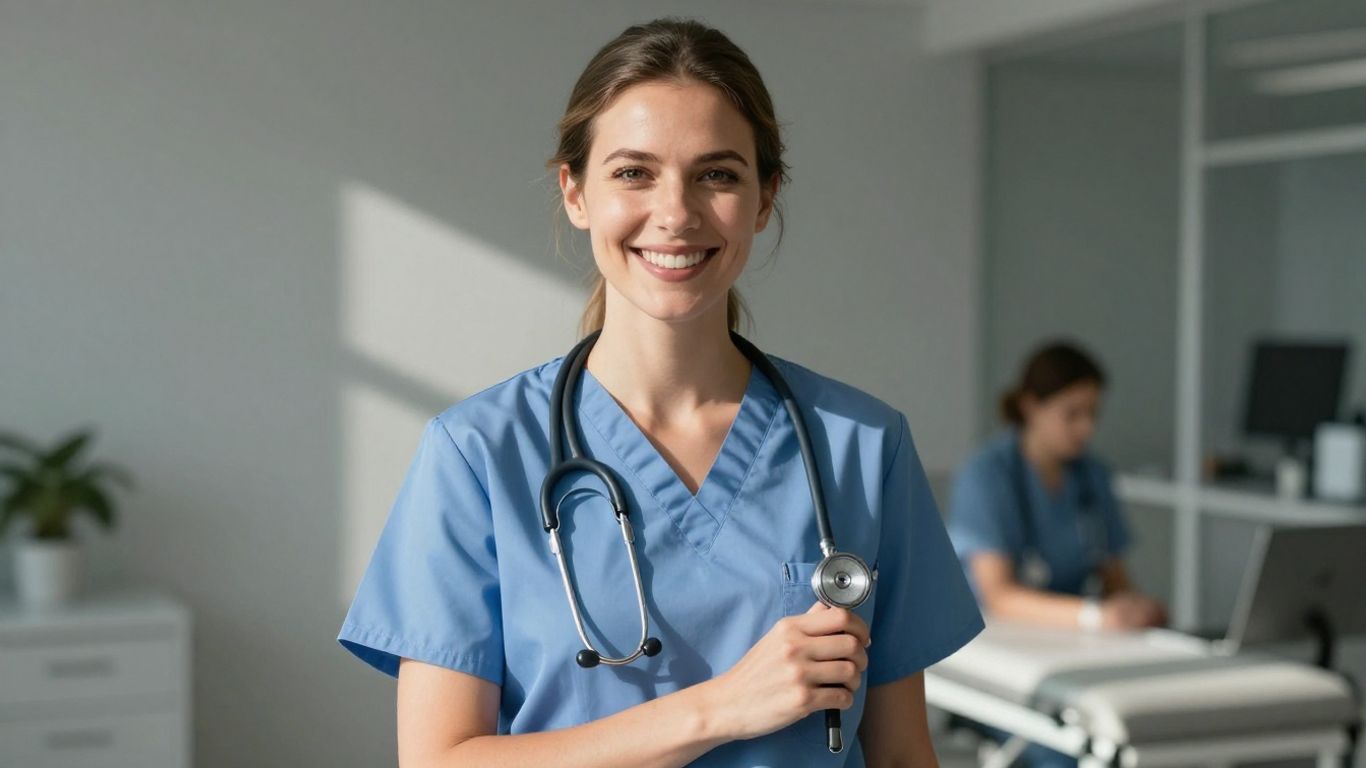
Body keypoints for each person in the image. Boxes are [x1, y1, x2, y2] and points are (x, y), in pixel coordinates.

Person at [336, 16, 983, 768]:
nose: (675, 214)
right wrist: (719, 708)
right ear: (575, 192)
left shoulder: (862, 446)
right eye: (634, 172)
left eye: (717, 174)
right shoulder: (478, 454)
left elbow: (905, 756)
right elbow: (438, 761)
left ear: (764, 197)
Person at [946, 340, 1167, 768]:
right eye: (1072, 414)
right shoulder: (988, 475)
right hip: (999, 654)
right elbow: (999, 596)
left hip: (1075, 647)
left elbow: (1114, 575)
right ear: (1031, 406)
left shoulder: (1091, 475)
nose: (1086, 428)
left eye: (1093, 415)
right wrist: (1096, 617)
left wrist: (1136, 610)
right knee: (1065, 752)